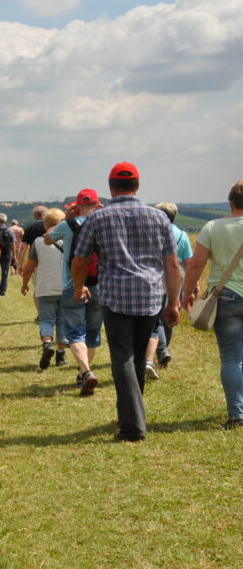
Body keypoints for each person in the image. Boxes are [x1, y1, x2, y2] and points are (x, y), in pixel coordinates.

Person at [73, 162, 180, 442]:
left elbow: (80, 260)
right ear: (137, 185)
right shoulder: (159, 218)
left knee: (122, 357)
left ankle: (132, 427)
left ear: (110, 187)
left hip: (115, 296)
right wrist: (174, 303)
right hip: (150, 296)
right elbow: (172, 264)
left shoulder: (98, 218)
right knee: (136, 354)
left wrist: (78, 287)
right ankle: (131, 416)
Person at [183, 180, 243, 429]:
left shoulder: (212, 226)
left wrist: (188, 292)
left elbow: (196, 264)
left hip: (226, 295)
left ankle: (237, 414)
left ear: (230, 202)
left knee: (231, 358)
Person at [45, 189, 104, 396]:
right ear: (97, 205)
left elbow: (47, 239)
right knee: (93, 332)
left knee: (75, 331)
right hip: (99, 284)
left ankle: (86, 371)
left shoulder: (67, 225)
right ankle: (82, 374)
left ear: (77, 205)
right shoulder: (103, 223)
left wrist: (68, 217)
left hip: (73, 283)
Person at [143, 202, 193, 378]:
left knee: (157, 316)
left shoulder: (153, 232)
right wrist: (193, 285)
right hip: (176, 276)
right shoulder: (182, 235)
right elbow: (188, 261)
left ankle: (161, 350)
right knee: (172, 312)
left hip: (157, 275)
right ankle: (164, 349)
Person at [21, 208, 68, 369]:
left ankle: (47, 344)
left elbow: (29, 267)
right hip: (65, 287)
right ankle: (61, 356)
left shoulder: (39, 242)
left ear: (46, 224)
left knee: (46, 319)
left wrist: (25, 283)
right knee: (62, 321)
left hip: (45, 287)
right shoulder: (68, 240)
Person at [22, 206, 48, 320]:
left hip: (35, 262)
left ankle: (41, 313)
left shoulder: (30, 227)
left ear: (35, 215)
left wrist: (19, 264)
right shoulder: (54, 226)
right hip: (53, 260)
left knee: (38, 288)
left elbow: (23, 247)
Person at [0, 214, 15, 296]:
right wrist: (14, 255)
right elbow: (13, 244)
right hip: (7, 253)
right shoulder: (10, 230)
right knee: (5, 272)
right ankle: (3, 291)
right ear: (6, 220)